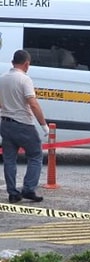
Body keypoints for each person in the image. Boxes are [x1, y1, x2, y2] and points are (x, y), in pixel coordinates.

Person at [0, 49, 49, 203]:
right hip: (23, 125)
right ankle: (28, 189)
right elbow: (33, 103)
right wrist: (43, 125)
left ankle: (13, 193)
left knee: (9, 159)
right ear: (26, 64)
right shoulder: (24, 79)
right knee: (35, 155)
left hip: (6, 123)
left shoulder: (2, 78)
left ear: (13, 62)